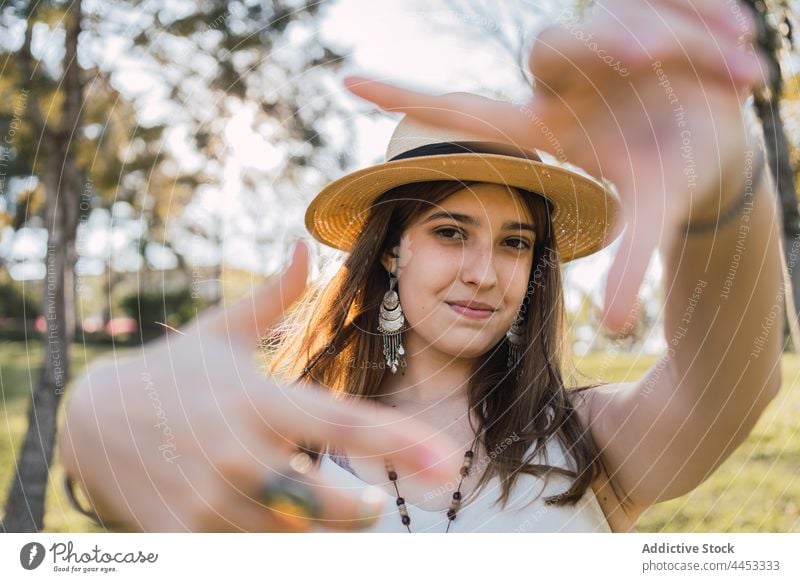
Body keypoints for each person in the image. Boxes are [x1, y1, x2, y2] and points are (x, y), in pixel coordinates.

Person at [59, 0, 783, 533]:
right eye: (450, 230)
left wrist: (721, 184)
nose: (483, 270)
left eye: (515, 242)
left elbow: (729, 379)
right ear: (391, 251)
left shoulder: (590, 443)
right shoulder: (282, 445)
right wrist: (99, 428)